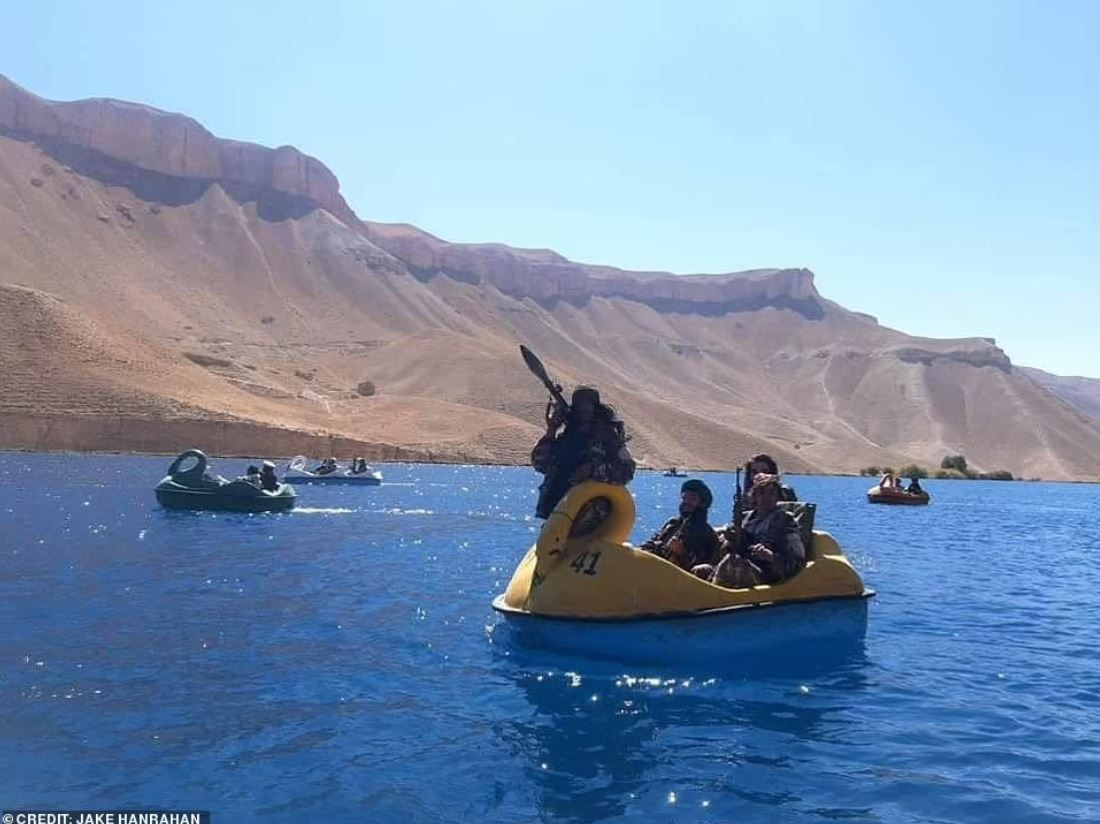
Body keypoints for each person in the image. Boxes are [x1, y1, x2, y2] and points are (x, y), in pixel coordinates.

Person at [531, 385, 635, 519]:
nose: (583, 409)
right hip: (557, 517)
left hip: (591, 520)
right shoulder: (567, 437)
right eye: (579, 405)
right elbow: (540, 464)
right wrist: (551, 430)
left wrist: (593, 469)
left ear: (595, 408)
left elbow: (627, 471)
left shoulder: (608, 437)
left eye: (588, 404)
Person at [695, 473, 805, 588]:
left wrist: (770, 556)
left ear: (778, 497)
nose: (767, 497)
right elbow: (732, 549)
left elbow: (796, 563)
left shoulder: (785, 522)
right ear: (754, 496)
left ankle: (714, 598)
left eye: (771, 493)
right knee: (701, 570)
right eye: (762, 493)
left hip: (767, 574)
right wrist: (731, 541)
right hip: (742, 568)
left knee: (734, 561)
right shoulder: (745, 519)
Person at [640, 479, 721, 571]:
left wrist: (681, 553)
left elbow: (705, 572)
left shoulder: (709, 536)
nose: (686, 502)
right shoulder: (673, 524)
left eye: (692, 499)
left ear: (702, 503)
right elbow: (652, 543)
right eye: (684, 498)